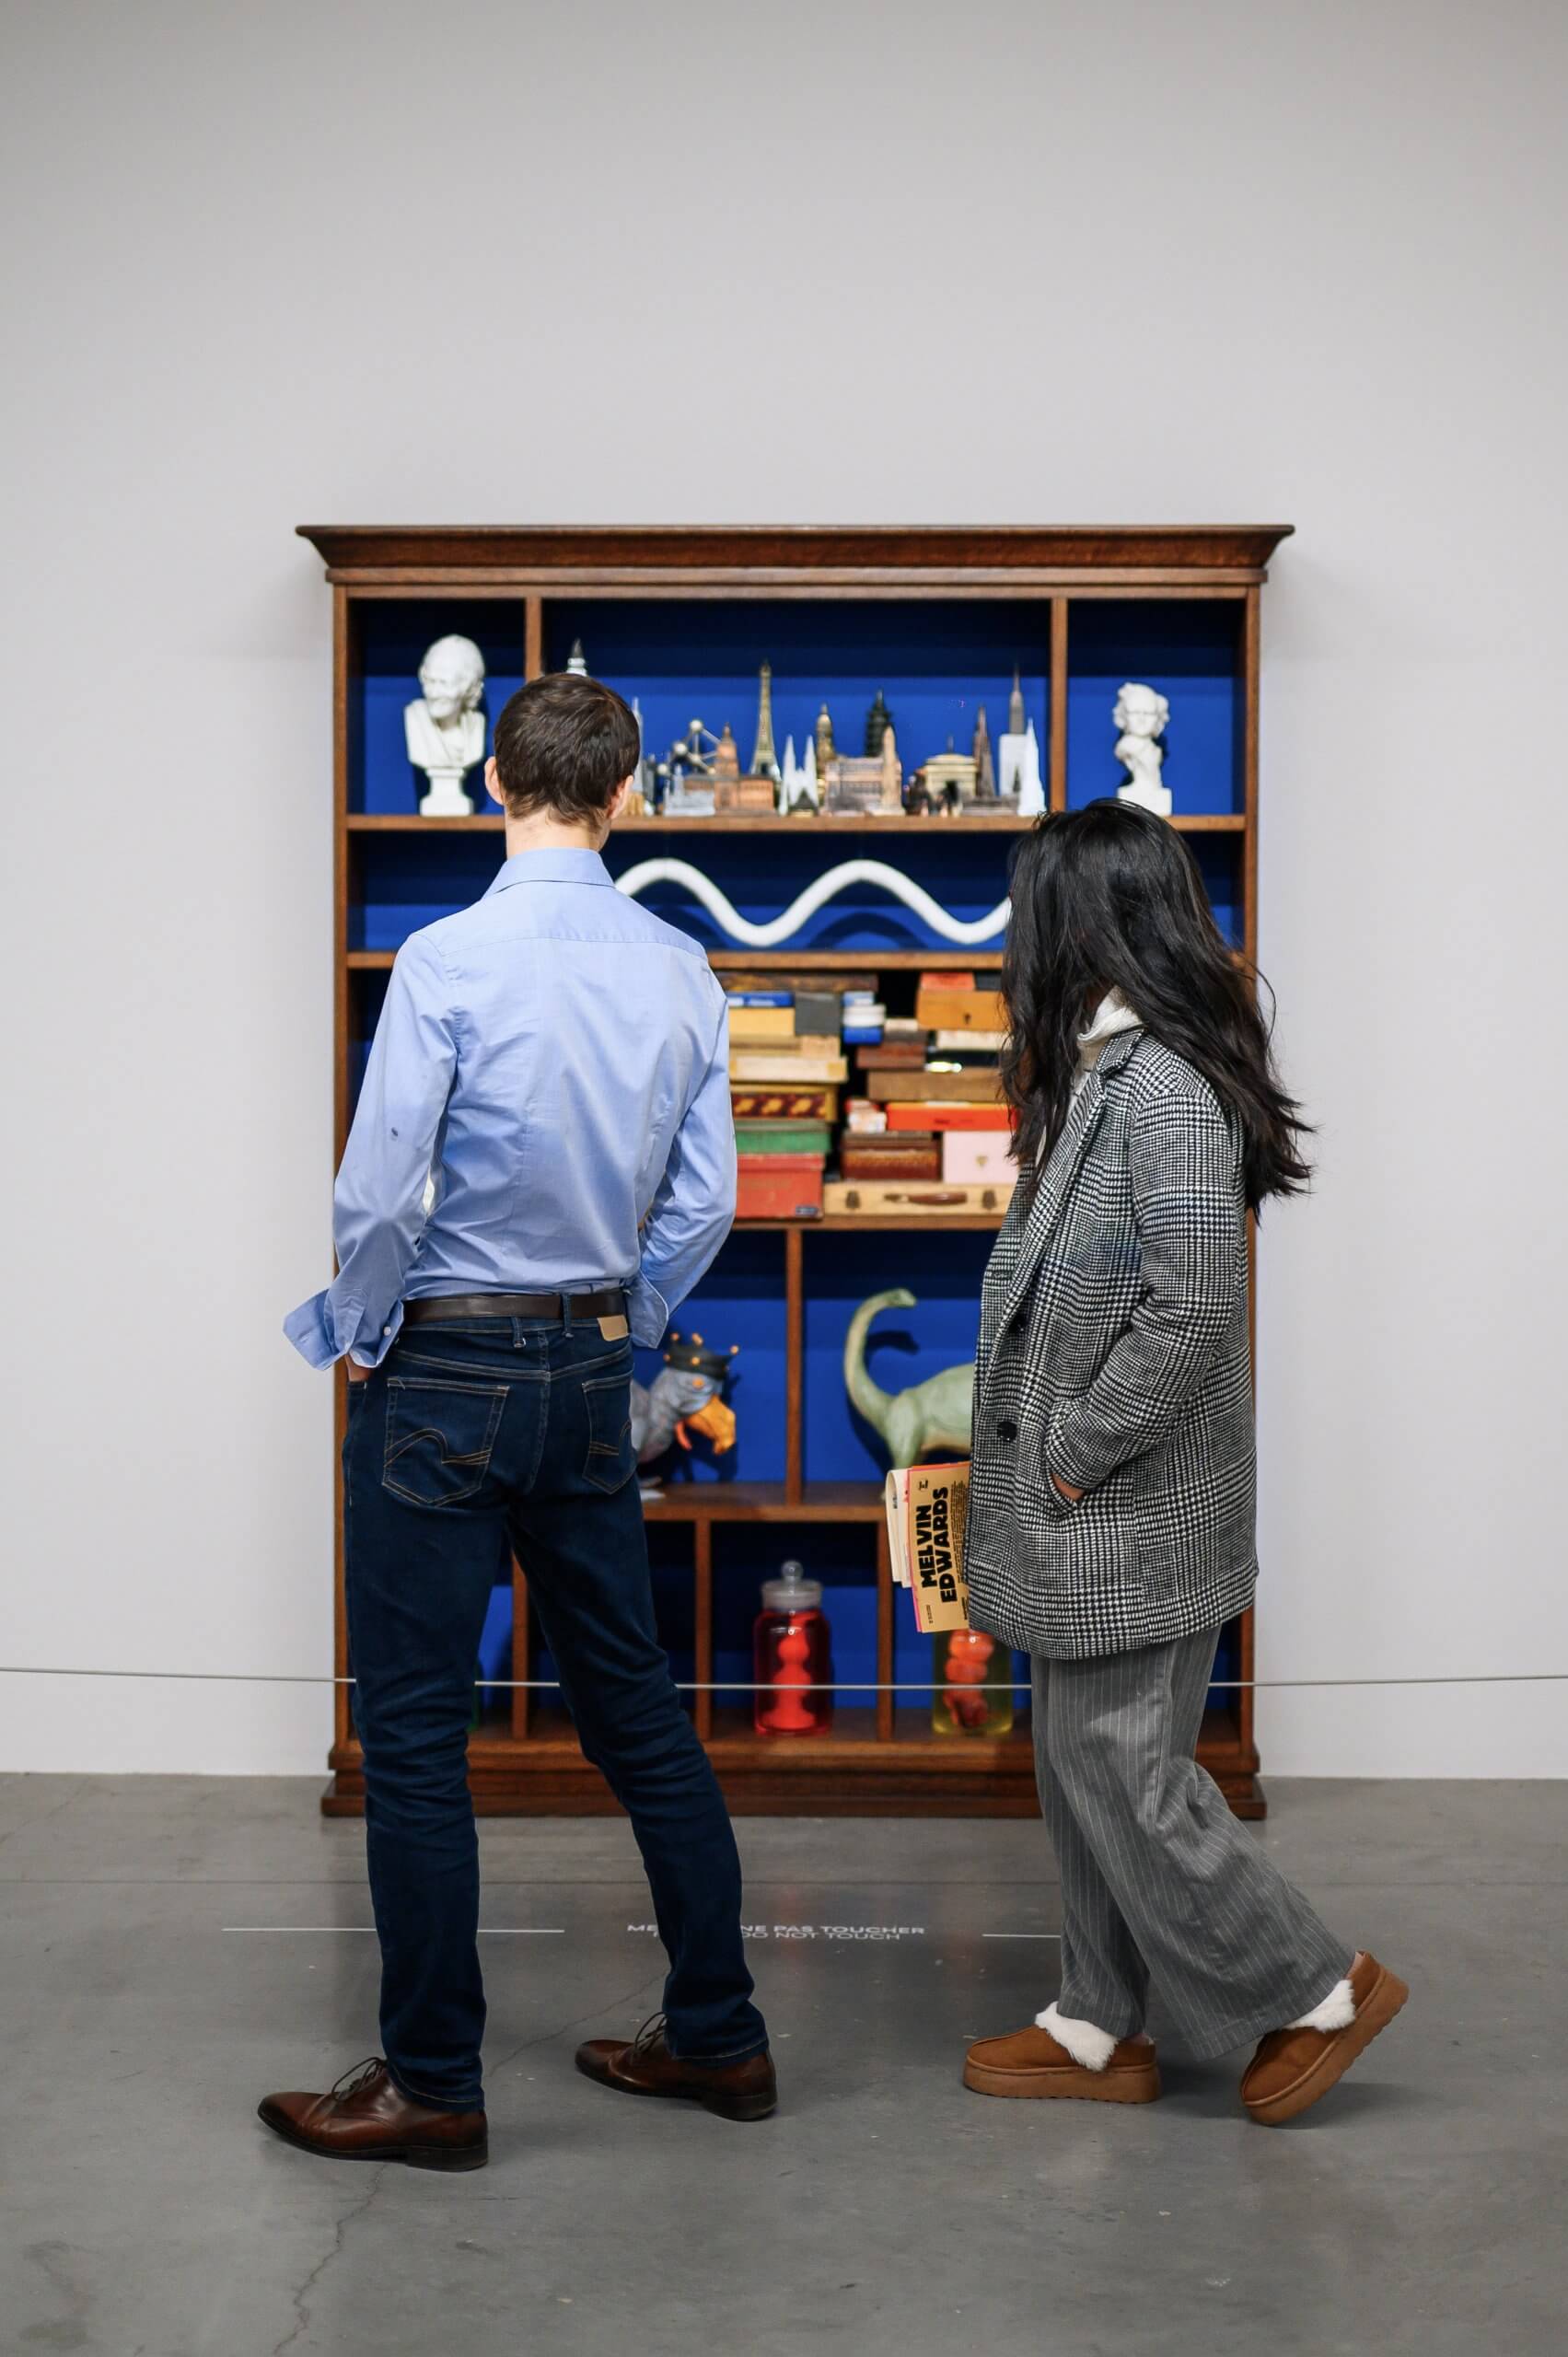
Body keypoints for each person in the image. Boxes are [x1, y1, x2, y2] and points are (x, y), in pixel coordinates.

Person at [261, 672, 774, 2172]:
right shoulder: (683, 970)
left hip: (447, 1370)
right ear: (625, 800)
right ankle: (724, 2034)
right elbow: (708, 1202)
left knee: (418, 1737)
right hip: (590, 1376)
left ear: (498, 781)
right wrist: (628, 1330)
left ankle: (431, 2082)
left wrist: (362, 1335)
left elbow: (375, 1195)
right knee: (640, 1718)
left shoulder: (445, 959)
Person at [960, 801, 1406, 2125]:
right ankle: (1101, 2021)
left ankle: (1317, 1987)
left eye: (1032, 908)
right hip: (1100, 1506)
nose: (1014, 937)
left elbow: (1193, 1305)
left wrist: (1073, 1456)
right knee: (1081, 1760)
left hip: (1126, 1503)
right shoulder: (1107, 1072)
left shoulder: (1157, 1088)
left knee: (1126, 1770)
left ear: (1084, 921)